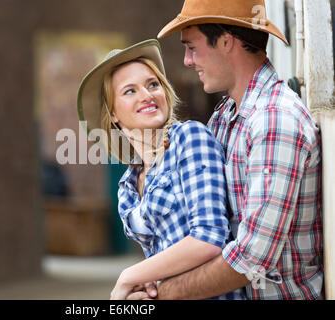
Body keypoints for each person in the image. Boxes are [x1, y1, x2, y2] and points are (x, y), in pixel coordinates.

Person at [127, 0, 323, 300]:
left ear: (226, 42)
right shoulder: (226, 116)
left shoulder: (274, 120)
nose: (187, 61)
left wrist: (161, 294)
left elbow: (252, 258)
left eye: (192, 47)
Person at [77, 39, 245, 300]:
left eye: (152, 84)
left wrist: (129, 276)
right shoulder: (127, 188)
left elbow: (209, 239)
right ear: (113, 113)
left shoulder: (189, 139)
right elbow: (161, 264)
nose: (147, 95)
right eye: (130, 91)